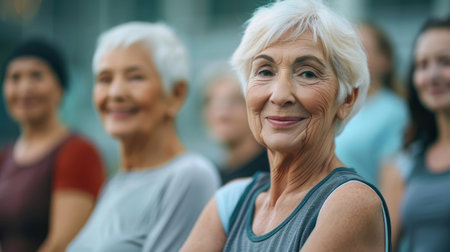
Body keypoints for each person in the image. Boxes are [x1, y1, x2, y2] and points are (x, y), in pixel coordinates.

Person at [181, 0, 391, 251]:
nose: (280, 95)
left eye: (308, 73)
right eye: (265, 71)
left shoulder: (351, 202)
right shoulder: (231, 201)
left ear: (346, 99)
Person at [66, 22, 220, 252]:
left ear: (176, 95)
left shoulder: (191, 176)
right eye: (105, 79)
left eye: (135, 77)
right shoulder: (116, 182)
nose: (116, 93)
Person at [0, 39, 106, 252]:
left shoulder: (77, 152)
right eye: (15, 78)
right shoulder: (4, 156)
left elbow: (61, 245)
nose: (24, 88)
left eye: (36, 76)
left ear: (61, 87)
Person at [381, 15, 450, 252]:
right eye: (422, 65)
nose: (432, 75)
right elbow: (385, 245)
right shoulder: (407, 161)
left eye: (445, 61)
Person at [335, 22, 409, 186]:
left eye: (362, 49)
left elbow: (393, 181)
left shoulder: (394, 112)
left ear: (385, 60)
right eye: (348, 48)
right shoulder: (336, 106)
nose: (352, 56)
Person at [203, 62, 270, 184]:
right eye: (212, 102)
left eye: (234, 101)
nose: (221, 113)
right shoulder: (212, 176)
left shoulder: (272, 172)